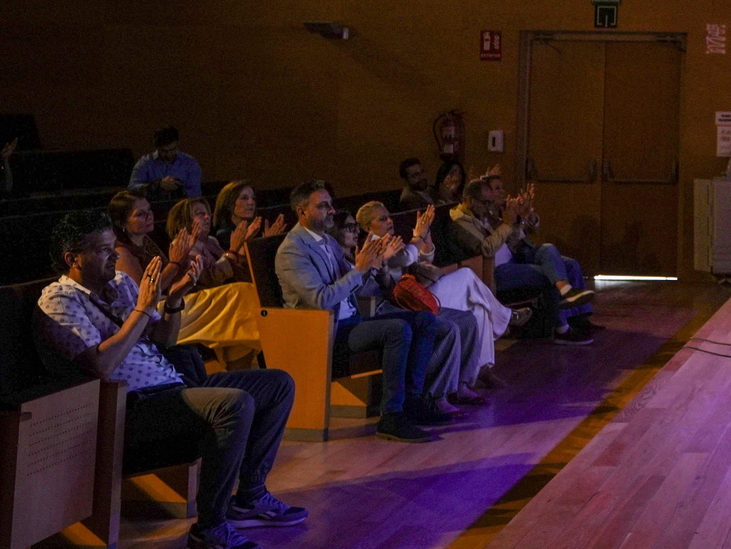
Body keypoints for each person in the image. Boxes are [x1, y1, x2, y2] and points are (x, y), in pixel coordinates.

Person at [33, 210, 305, 549]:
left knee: (278, 383)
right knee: (233, 404)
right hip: (129, 408)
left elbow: (164, 340)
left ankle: (250, 497)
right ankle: (210, 529)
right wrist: (141, 309)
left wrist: (174, 300)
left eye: (113, 247)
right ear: (72, 259)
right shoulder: (59, 299)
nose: (115, 255)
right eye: (103, 250)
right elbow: (100, 366)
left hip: (172, 388)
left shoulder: (120, 285)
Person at [273, 180, 461, 442]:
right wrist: (361, 269)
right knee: (397, 329)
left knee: (424, 320)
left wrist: (374, 267)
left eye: (330, 205)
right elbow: (320, 299)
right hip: (324, 332)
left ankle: (413, 401)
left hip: (350, 320)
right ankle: (391, 415)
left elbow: (357, 285)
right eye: (323, 206)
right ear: (302, 212)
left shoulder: (327, 241)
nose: (331, 210)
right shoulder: (292, 251)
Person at [360, 200, 520, 391]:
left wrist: (425, 239)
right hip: (405, 303)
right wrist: (418, 236)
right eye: (382, 219)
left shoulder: (390, 239)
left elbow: (421, 260)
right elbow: (405, 258)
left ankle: (480, 370)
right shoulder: (373, 246)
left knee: (478, 308)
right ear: (367, 227)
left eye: (389, 216)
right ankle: (506, 316)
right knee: (466, 276)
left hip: (418, 293)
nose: (389, 221)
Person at [441, 177, 597, 343]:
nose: (488, 207)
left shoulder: (482, 214)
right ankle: (561, 329)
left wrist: (517, 220)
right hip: (496, 271)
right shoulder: (460, 220)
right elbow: (486, 249)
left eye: (490, 202)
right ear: (470, 201)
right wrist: (507, 224)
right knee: (549, 274)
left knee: (557, 254)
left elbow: (512, 241)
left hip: (514, 258)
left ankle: (575, 311)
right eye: (485, 203)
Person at [165, 197, 261, 357]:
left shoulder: (211, 241)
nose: (207, 217)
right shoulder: (181, 245)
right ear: (184, 220)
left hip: (220, 299)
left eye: (208, 213)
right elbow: (208, 279)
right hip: (197, 305)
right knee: (241, 294)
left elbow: (234, 271)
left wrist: (243, 244)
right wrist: (232, 250)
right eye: (200, 214)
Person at [212, 181, 289, 268]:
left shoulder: (256, 229)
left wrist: (268, 241)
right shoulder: (224, 235)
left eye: (253, 198)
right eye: (244, 198)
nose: (251, 202)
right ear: (229, 203)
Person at [131, 126, 204, 198]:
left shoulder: (189, 163)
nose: (169, 154)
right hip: (152, 205)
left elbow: (195, 193)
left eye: (173, 149)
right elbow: (132, 188)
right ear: (156, 147)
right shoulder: (145, 163)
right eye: (164, 151)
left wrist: (178, 191)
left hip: (182, 204)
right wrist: (157, 185)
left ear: (177, 143)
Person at [110, 190, 166, 283]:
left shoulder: (145, 239)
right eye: (140, 214)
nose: (149, 216)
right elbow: (141, 289)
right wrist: (175, 265)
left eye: (149, 209)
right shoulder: (121, 252)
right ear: (121, 223)